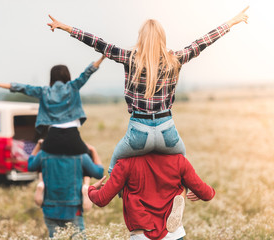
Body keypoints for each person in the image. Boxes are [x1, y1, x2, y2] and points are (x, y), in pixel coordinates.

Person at [46, 7, 249, 174]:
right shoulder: (175, 59)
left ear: (141, 38)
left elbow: (99, 44)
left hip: (138, 132)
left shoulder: (130, 58)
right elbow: (203, 41)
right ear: (162, 38)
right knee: (185, 169)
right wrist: (232, 22)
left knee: (113, 167)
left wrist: (65, 27)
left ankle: (109, 188)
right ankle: (185, 189)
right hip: (167, 131)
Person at [0, 55, 106, 210]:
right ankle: (85, 186)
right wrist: (102, 57)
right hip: (72, 136)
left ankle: (42, 185)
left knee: (39, 162)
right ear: (67, 76)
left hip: (52, 136)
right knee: (90, 163)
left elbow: (21, 87)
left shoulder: (44, 91)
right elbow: (87, 72)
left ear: (52, 77)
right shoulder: (73, 87)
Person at [88, 153, 215, 240]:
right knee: (181, 187)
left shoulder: (125, 163)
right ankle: (181, 193)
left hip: (142, 233)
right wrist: (205, 191)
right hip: (173, 234)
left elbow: (101, 199)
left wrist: (91, 189)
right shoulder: (179, 160)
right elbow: (206, 194)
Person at [28, 139, 104, 238]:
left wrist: (38, 145)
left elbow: (30, 165)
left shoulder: (44, 154)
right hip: (73, 209)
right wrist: (93, 150)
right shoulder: (80, 156)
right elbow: (99, 172)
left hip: (50, 209)